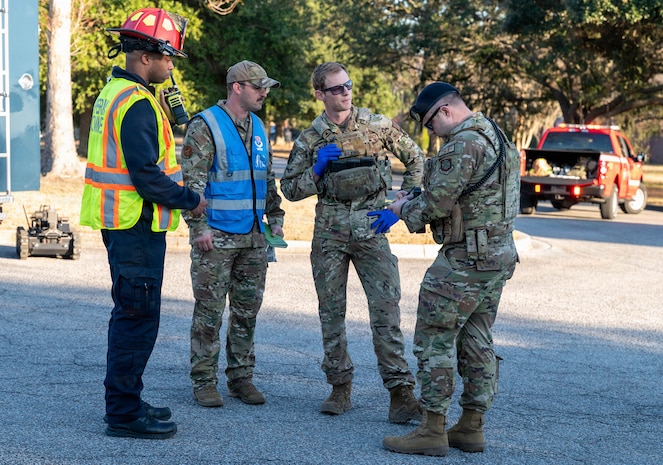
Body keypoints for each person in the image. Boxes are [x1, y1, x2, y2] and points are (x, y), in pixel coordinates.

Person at [80, 8, 206, 439]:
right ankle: (123, 413)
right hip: (135, 226)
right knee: (137, 317)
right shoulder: (134, 103)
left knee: (133, 314)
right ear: (145, 56)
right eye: (168, 58)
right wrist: (192, 201)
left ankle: (128, 399)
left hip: (126, 224)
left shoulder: (117, 92)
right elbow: (147, 176)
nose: (171, 67)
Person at [377, 82, 520, 456]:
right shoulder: (496, 135)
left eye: (429, 124)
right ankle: (471, 427)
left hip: (466, 260)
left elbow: (438, 204)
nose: (431, 133)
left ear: (445, 112)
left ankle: (432, 428)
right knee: (476, 338)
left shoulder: (461, 144)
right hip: (498, 254)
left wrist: (400, 211)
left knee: (434, 336)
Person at [280, 62, 425, 423]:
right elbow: (290, 189)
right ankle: (339, 387)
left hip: (372, 228)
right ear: (320, 95)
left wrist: (401, 204)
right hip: (329, 232)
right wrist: (317, 169)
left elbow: (417, 160)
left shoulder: (377, 125)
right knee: (331, 313)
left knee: (386, 311)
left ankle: (400, 393)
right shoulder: (312, 137)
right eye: (336, 88)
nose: (345, 92)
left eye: (348, 85)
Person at [181, 60, 285, 408]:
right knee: (209, 314)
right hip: (217, 236)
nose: (264, 93)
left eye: (265, 87)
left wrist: (276, 216)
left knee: (246, 313)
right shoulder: (205, 125)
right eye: (259, 87)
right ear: (237, 87)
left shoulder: (258, 125)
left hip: (254, 235)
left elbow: (265, 176)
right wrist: (198, 228)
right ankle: (204, 381)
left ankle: (241, 378)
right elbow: (192, 184)